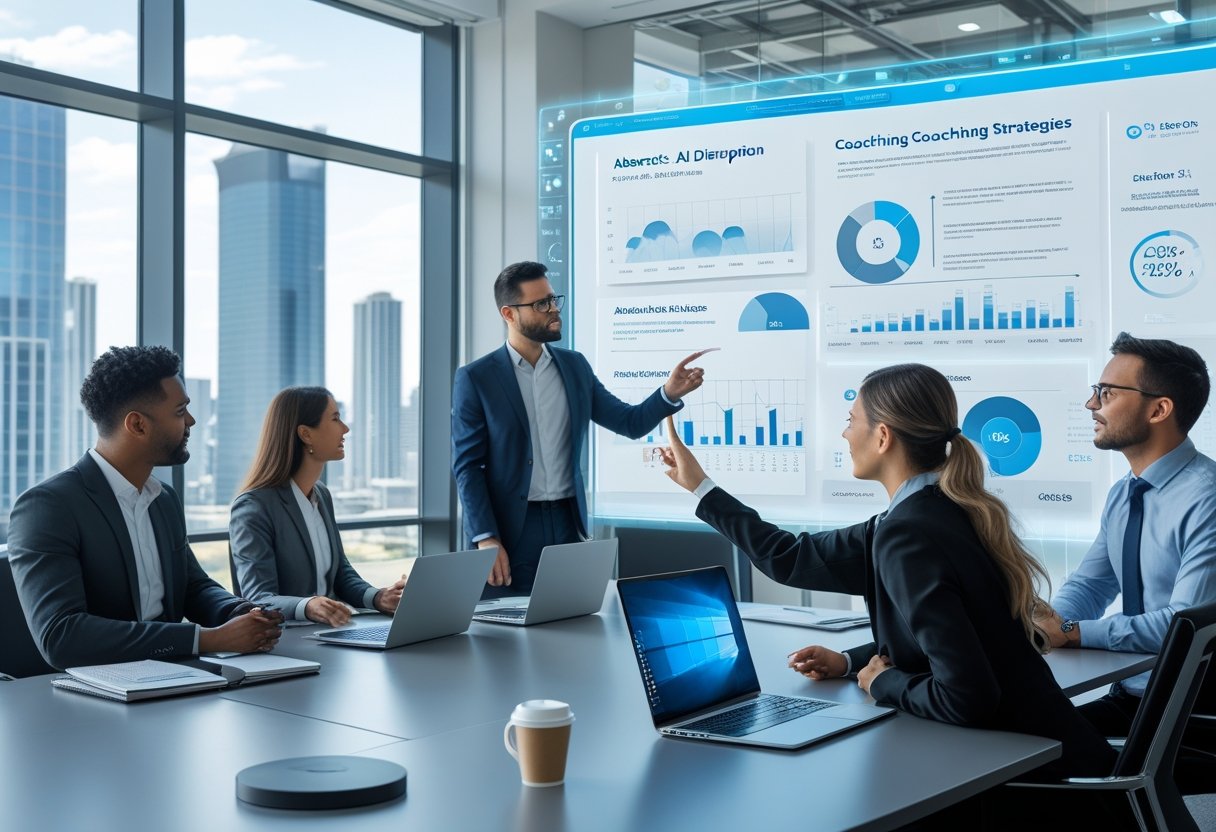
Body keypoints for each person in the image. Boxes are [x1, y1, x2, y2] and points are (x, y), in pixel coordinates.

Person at [658, 363, 1116, 784]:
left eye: (850, 420)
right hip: (1055, 752)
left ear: (882, 436)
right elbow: (789, 558)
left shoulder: (908, 534)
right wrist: (852, 662)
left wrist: (882, 681)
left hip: (1034, 783)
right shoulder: (941, 511)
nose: (844, 434)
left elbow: (967, 695)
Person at [8, 346, 283, 670]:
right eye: (180, 411)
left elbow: (193, 587)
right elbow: (62, 636)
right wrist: (208, 639)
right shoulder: (48, 507)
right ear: (137, 425)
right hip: (96, 694)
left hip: (173, 678)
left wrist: (240, 613)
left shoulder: (162, 498)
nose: (191, 421)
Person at [452, 260, 709, 597]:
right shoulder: (476, 378)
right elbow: (468, 465)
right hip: (509, 530)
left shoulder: (574, 366)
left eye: (553, 298)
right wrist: (485, 536)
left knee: (569, 623)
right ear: (509, 314)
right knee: (506, 635)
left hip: (567, 523)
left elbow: (628, 423)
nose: (553, 309)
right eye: (540, 303)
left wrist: (669, 394)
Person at [1034, 334, 1216, 752]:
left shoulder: (1207, 498)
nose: (1091, 405)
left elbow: (1185, 625)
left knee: (1033, 758)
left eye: (1107, 393)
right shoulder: (1125, 492)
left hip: (1192, 707)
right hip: (1136, 693)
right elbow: (1092, 585)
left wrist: (1072, 632)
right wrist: (1044, 625)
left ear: (1159, 409)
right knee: (1021, 744)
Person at [229, 387, 406, 627]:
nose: (345, 429)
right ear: (306, 434)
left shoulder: (321, 494)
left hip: (331, 634)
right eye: (335, 418)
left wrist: (378, 597)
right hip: (285, 640)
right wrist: (308, 606)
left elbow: (340, 573)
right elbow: (257, 597)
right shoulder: (253, 507)